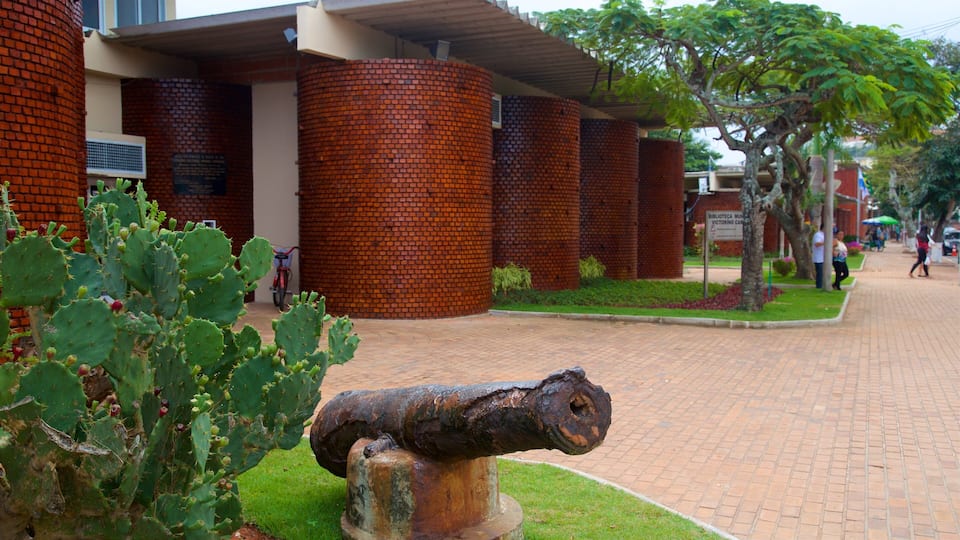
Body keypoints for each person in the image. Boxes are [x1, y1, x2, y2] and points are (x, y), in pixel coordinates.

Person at [812, 224, 825, 289]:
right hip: (818, 258)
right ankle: (819, 286)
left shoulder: (825, 235)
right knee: (820, 273)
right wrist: (826, 242)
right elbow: (817, 244)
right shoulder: (818, 235)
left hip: (824, 258)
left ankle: (823, 285)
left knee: (823, 273)